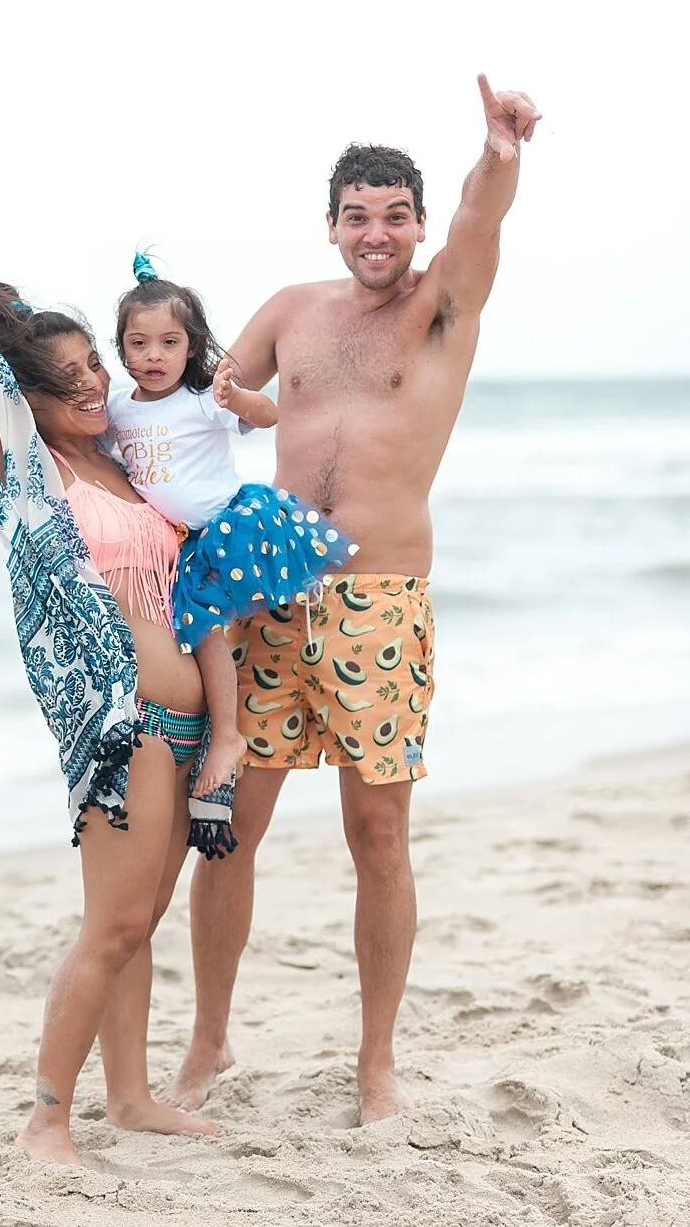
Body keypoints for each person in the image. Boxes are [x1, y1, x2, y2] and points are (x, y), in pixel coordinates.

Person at [163, 74, 542, 1124]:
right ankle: (209, 1038)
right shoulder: (292, 311)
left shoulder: (440, 306)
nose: (378, 233)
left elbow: (480, 221)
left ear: (417, 225)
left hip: (379, 603)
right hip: (270, 600)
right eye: (358, 215)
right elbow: (199, 399)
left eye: (395, 215)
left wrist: (498, 155)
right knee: (228, 825)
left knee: (377, 836)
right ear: (330, 223)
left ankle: (377, 1065)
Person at [0, 157, 218, 1159]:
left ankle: (130, 1097)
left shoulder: (131, 461)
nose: (93, 383)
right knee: (110, 926)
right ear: (29, 395)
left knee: (141, 921)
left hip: (187, 721)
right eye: (68, 377)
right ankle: (45, 1117)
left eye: (95, 365)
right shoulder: (30, 472)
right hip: (120, 726)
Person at [105, 255, 358, 853]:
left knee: (206, 627)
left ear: (191, 347)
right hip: (176, 544)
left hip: (225, 528)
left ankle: (228, 736)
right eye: (139, 343)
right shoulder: (118, 408)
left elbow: (270, 415)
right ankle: (212, 735)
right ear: (121, 349)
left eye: (170, 343)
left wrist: (236, 396)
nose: (154, 355)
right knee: (197, 631)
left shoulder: (202, 399)